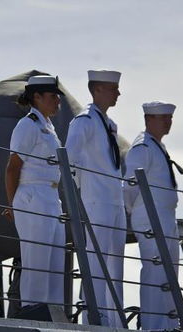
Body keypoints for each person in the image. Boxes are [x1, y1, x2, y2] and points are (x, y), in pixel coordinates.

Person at [65, 70, 125, 327]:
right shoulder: (84, 121)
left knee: (116, 264)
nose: (118, 93)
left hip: (114, 200)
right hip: (96, 200)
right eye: (113, 89)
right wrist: (84, 190)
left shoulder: (108, 124)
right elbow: (69, 158)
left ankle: (114, 319)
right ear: (97, 90)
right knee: (95, 260)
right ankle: (93, 317)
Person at [124, 101, 183, 330]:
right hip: (149, 216)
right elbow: (130, 186)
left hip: (165, 217)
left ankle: (169, 323)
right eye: (163, 118)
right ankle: (154, 324)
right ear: (149, 120)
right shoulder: (143, 148)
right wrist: (136, 212)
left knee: (170, 271)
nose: (168, 122)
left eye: (169, 118)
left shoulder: (157, 146)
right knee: (154, 269)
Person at [5, 75, 65, 308]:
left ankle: (53, 316)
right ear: (36, 97)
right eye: (53, 96)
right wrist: (12, 205)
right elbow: (12, 168)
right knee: (37, 264)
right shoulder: (27, 125)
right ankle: (33, 312)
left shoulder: (48, 127)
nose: (57, 101)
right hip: (33, 197)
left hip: (51, 197)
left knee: (54, 265)